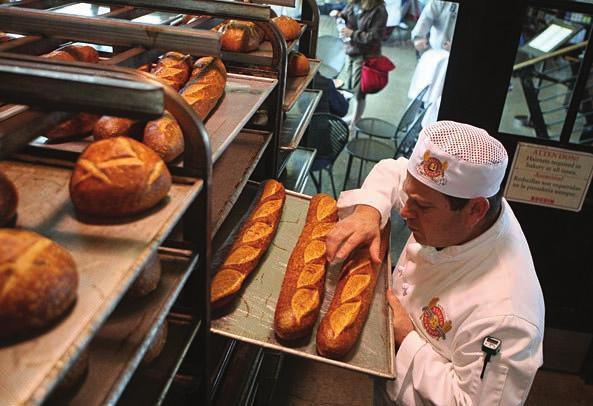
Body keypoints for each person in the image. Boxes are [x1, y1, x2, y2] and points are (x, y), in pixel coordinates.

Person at [325, 121, 545, 405]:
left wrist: (407, 338)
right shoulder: (454, 202)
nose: (404, 212)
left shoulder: (506, 317)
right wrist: (368, 212)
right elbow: (394, 172)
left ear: (475, 210)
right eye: (409, 196)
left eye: (422, 207)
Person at [332, 0, 388, 132]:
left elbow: (375, 37)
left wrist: (352, 33)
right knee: (353, 88)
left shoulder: (379, 11)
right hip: (351, 51)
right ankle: (355, 117)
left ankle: (355, 123)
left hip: (366, 55)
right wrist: (339, 15)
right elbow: (346, 16)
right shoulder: (354, 3)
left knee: (359, 91)